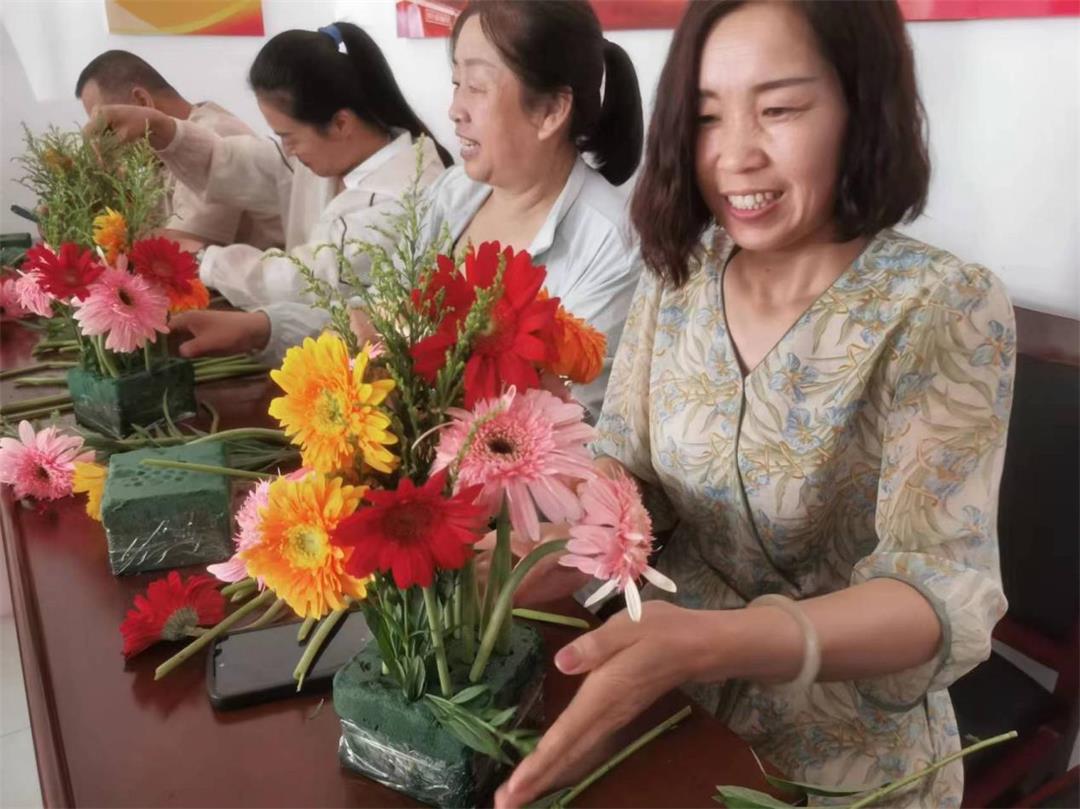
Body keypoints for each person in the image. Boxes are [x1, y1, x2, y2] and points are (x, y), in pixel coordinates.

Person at [495, 2, 1014, 807]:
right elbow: (630, 477)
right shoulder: (683, 274)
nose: (735, 155)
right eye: (706, 116)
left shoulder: (941, 305)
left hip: (843, 751)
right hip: (665, 706)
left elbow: (939, 590)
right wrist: (522, 556)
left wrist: (714, 643)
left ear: (860, 104)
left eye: (779, 109)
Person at [88, 23, 452, 363]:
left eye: (288, 136)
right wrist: (164, 130)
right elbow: (237, 162)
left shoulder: (403, 198)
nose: (287, 149)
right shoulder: (334, 156)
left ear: (341, 123)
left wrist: (201, 259)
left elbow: (306, 282)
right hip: (305, 345)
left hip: (361, 366)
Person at [417, 0, 645, 417]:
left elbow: (570, 421)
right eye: (456, 83)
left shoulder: (613, 245)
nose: (454, 110)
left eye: (477, 87)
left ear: (551, 111)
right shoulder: (452, 192)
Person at [76, 50, 283, 250]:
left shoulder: (216, 133)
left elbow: (180, 252)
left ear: (142, 102)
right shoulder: (155, 153)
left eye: (108, 127)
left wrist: (89, 222)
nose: (105, 143)